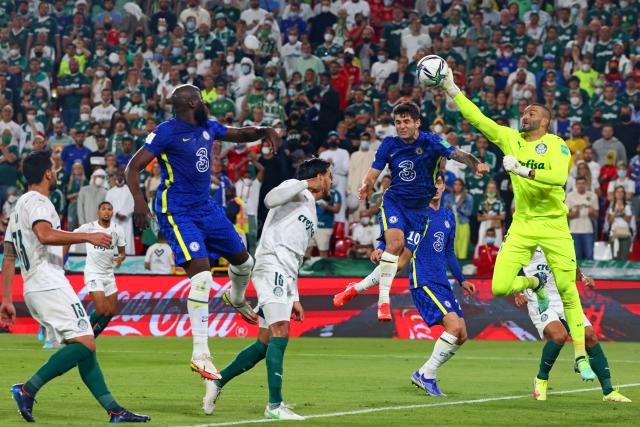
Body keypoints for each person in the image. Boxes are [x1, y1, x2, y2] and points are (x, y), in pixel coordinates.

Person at [438, 68, 595, 380]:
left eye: (532, 112)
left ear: (545, 120)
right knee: (498, 286)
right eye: (523, 111)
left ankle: (582, 358)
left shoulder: (556, 144)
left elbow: (558, 177)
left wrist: (523, 171)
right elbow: (479, 120)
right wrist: (452, 89)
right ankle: (534, 284)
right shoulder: (510, 138)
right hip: (523, 225)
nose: (525, 114)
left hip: (553, 225)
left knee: (566, 290)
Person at [125, 84, 280, 399]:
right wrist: (139, 202)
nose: (173, 106)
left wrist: (263, 130)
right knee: (203, 278)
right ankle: (200, 353)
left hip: (206, 207)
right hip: (177, 211)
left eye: (176, 101)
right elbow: (133, 167)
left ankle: (236, 298)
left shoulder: (208, 126)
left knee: (244, 262)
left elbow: (237, 134)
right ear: (194, 102)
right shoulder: (167, 131)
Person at [0, 150, 149, 423]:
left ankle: (114, 409)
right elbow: (45, 235)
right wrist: (88, 236)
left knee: (84, 343)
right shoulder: (39, 202)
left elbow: (9, 255)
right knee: (85, 342)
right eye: (54, 168)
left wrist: (7, 297)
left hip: (34, 285)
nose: (56, 173)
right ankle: (27, 389)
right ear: (47, 173)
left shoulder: (19, 206)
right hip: (49, 282)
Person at [204, 159, 333, 420]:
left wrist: (294, 296)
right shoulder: (295, 188)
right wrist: (306, 182)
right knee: (280, 331)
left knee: (264, 343)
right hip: (270, 265)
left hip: (285, 274)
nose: (331, 181)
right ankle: (274, 406)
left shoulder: (311, 208)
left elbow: (295, 257)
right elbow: (270, 199)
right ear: (319, 177)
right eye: (328, 176)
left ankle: (217, 380)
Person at [333, 102, 488, 321]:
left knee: (398, 264)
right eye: (398, 122)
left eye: (406, 121)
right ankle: (383, 302)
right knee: (394, 245)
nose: (402, 126)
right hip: (395, 201)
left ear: (417, 122)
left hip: (419, 212)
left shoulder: (432, 141)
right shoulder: (389, 144)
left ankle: (356, 288)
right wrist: (366, 184)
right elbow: (374, 172)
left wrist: (474, 163)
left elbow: (456, 153)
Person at [373, 174, 475, 396]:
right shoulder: (417, 213)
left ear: (443, 186)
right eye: (431, 184)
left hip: (442, 281)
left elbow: (449, 253)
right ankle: (427, 374)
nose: (435, 188)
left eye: (438, 183)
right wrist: (381, 246)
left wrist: (462, 279)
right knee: (454, 328)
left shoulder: (448, 216)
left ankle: (424, 373)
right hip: (423, 279)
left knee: (462, 334)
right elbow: (394, 231)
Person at [515, 248, 630, 403]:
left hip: (564, 296)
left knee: (590, 336)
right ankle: (541, 379)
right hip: (538, 298)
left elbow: (570, 262)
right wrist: (517, 292)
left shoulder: (559, 235)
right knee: (559, 336)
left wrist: (582, 277)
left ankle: (608, 391)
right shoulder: (526, 238)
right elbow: (511, 265)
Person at [71, 201, 126, 337]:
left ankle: (92, 338)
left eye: (109, 209)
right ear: (98, 212)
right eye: (103, 209)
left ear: (112, 212)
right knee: (101, 310)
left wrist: (121, 258)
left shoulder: (118, 229)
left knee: (111, 311)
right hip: (93, 273)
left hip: (108, 274)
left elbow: (122, 252)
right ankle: (84, 335)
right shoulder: (89, 228)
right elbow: (71, 236)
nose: (106, 212)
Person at [565, 176, 599, 260]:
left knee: (589, 256)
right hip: (574, 231)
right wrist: (574, 213)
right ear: (576, 185)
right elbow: (566, 215)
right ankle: (578, 274)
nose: (581, 185)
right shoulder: (570, 196)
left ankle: (590, 273)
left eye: (583, 183)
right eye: (579, 183)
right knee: (576, 258)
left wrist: (591, 213)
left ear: (586, 184)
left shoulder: (593, 196)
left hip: (588, 230)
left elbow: (597, 215)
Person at [106, 169, 135, 255]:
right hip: (114, 220)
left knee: (127, 238)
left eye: (122, 175)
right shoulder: (110, 192)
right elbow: (107, 206)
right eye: (118, 175)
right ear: (115, 177)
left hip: (127, 220)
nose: (120, 177)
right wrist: (116, 213)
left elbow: (132, 204)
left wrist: (125, 214)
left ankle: (128, 255)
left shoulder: (129, 190)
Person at [308, 183, 341, 258]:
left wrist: (326, 206)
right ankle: (306, 269)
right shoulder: (314, 191)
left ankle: (322, 269)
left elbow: (337, 209)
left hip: (325, 227)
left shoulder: (334, 193)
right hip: (311, 226)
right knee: (306, 250)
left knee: (323, 253)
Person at [606, 186, 634, 261]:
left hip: (625, 233)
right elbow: (609, 221)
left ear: (624, 194)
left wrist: (622, 213)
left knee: (624, 258)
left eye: (621, 191)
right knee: (614, 258)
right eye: (617, 191)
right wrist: (615, 213)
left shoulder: (627, 206)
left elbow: (629, 219)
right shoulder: (611, 206)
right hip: (614, 233)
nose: (619, 193)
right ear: (615, 194)